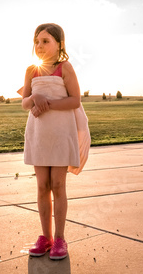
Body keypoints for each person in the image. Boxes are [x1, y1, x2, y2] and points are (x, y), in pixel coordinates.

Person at [20, 23, 89, 260]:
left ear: (59, 44)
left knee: (58, 186)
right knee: (42, 187)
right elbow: (25, 103)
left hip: (61, 134)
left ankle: (60, 239)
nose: (39, 46)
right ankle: (45, 237)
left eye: (45, 41)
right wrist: (35, 97)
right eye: (36, 41)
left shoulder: (65, 68)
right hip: (39, 134)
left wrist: (45, 103)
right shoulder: (32, 70)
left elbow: (74, 101)